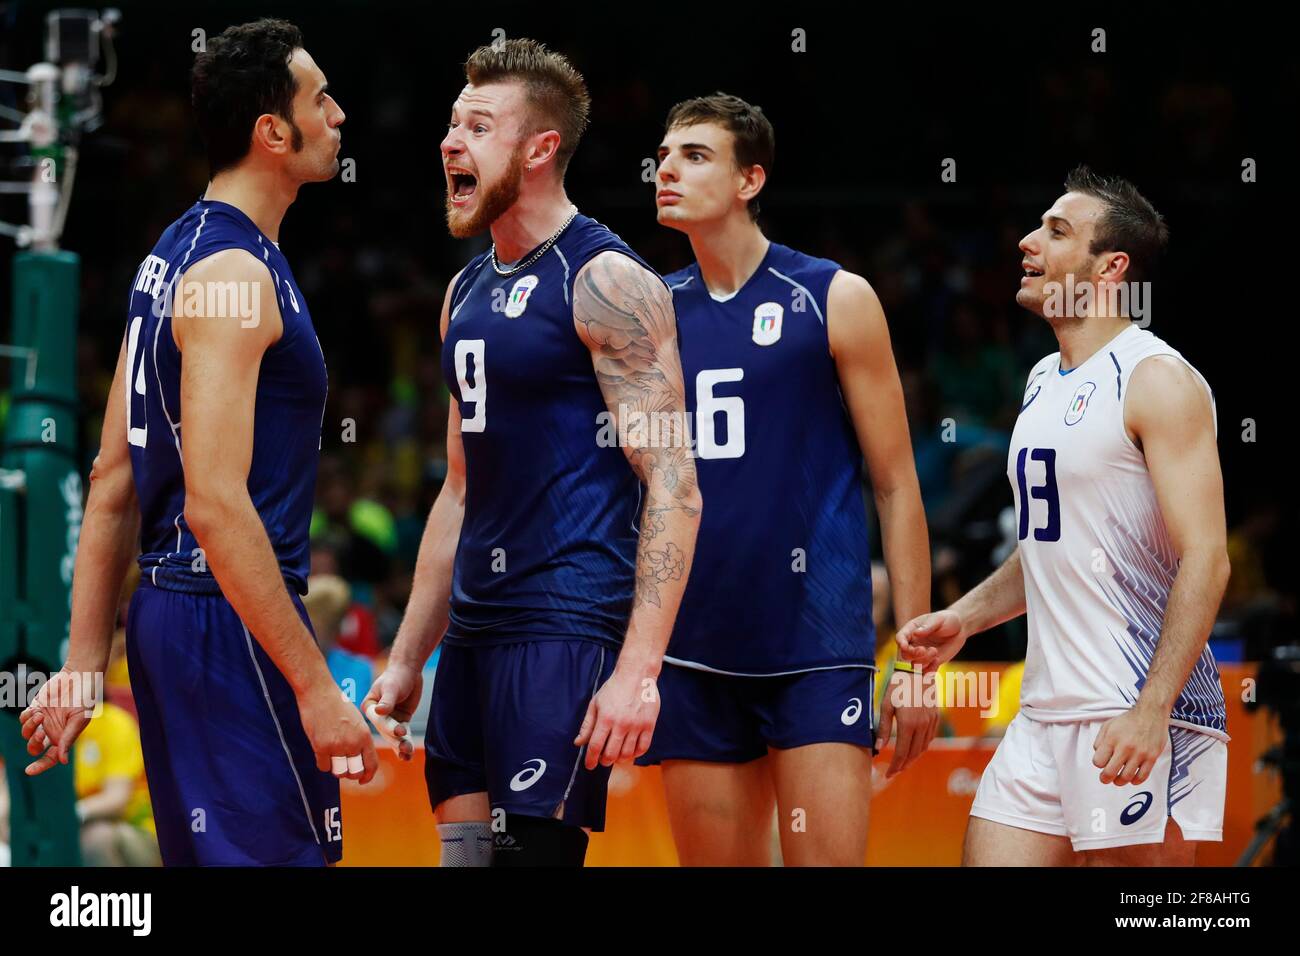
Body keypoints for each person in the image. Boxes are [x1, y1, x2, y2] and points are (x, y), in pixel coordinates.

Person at [20, 18, 375, 866]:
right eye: (320, 98)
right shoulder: (237, 274)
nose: (340, 115)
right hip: (226, 612)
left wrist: (80, 667)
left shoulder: (169, 255)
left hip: (174, 616)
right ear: (273, 132)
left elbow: (111, 478)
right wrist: (318, 688)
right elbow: (216, 505)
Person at [364, 39, 701, 867]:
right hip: (472, 638)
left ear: (540, 148)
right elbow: (457, 491)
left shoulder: (608, 281)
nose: (450, 142)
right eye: (451, 124)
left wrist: (638, 671)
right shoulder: (464, 290)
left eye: (478, 126)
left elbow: (674, 485)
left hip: (564, 625)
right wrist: (410, 656)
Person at [633, 93, 935, 866]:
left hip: (815, 640)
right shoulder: (650, 314)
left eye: (695, 155)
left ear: (750, 180)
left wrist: (916, 663)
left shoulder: (833, 296)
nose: (667, 168)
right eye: (664, 155)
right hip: (693, 643)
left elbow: (897, 485)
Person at [898, 167, 1230, 866]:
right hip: (1043, 712)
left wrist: (1151, 710)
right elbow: (1051, 547)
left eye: (1056, 231)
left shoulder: (1157, 379)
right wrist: (965, 617)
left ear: (1111, 268)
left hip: (1134, 709)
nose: (1027, 243)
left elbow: (1207, 556)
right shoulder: (1043, 378)